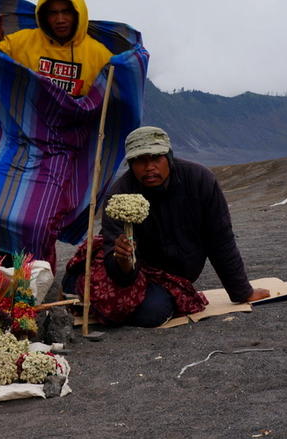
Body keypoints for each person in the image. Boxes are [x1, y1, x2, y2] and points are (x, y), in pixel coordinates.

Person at [0, 0, 148, 270]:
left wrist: (133, 63)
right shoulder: (23, 42)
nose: (60, 19)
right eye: (52, 12)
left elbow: (118, 83)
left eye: (66, 12)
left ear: (78, 14)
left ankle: (34, 274)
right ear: (43, 14)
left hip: (62, 148)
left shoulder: (95, 53)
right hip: (21, 140)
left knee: (37, 221)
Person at [64, 126, 269, 326]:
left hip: (176, 276)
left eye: (156, 158)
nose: (149, 167)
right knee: (153, 313)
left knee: (154, 311)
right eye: (139, 161)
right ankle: (74, 282)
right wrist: (124, 259)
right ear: (130, 165)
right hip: (138, 272)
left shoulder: (200, 181)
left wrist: (242, 292)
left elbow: (221, 240)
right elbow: (120, 275)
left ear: (169, 157)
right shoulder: (119, 196)